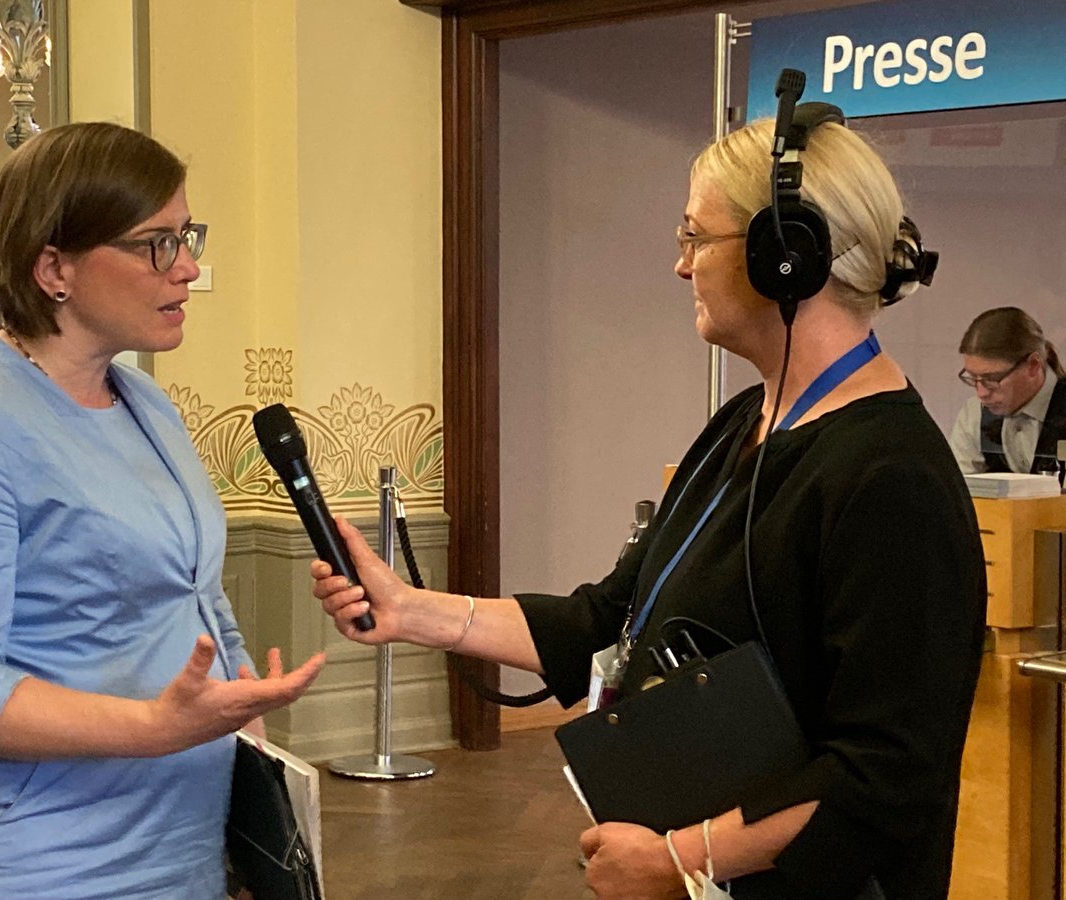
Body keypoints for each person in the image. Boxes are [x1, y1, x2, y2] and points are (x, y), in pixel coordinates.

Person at [312, 112, 985, 899]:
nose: (679, 264)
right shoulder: (747, 423)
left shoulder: (891, 479)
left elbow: (887, 776)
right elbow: (609, 618)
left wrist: (684, 858)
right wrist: (409, 610)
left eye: (697, 237)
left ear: (784, 257)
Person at [0, 122, 325, 899]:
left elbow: (196, 595)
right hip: (40, 861)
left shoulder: (144, 399)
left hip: (180, 841)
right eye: (157, 243)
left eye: (187, 236)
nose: (187, 267)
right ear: (55, 267)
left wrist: (243, 726)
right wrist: (155, 727)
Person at [948, 306, 1066, 475]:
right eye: (973, 377)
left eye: (992, 379)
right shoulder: (974, 415)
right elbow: (960, 493)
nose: (981, 393)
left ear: (1033, 365)